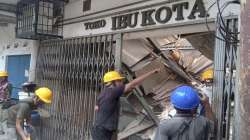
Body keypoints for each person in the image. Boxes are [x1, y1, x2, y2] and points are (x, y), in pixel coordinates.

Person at [92, 69, 161, 140]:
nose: (121, 83)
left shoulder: (104, 93)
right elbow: (133, 83)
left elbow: (96, 107)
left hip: (99, 129)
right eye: (119, 81)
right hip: (103, 131)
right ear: (113, 82)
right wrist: (151, 72)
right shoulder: (114, 91)